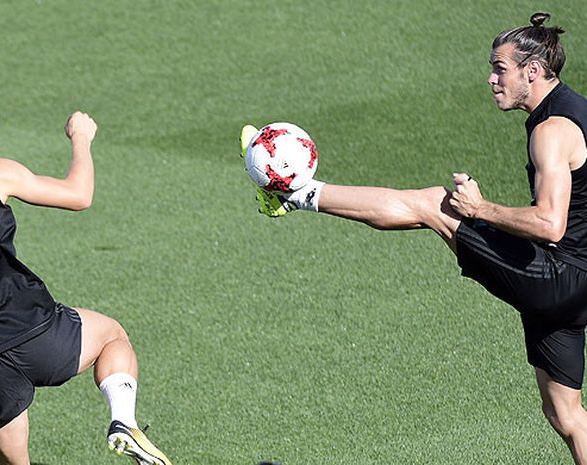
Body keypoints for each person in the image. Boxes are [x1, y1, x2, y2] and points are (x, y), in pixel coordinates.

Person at [242, 12, 587, 465]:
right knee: (565, 412)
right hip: (575, 281)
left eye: (499, 68)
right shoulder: (574, 109)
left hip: (556, 275)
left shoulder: (551, 131)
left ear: (533, 71)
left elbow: (549, 224)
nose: (490, 78)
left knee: (434, 205)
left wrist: (478, 209)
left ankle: (296, 192)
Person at [0, 70, 172, 465]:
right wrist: (81, 139)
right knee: (111, 337)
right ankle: (123, 420)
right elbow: (79, 194)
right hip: (37, 334)